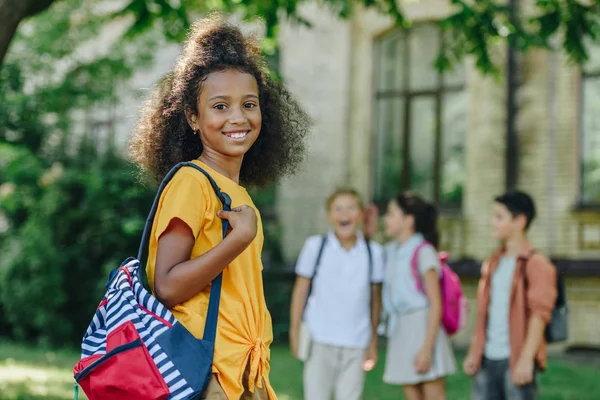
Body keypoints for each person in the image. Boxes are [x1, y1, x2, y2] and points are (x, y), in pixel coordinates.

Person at [130, 14, 310, 400]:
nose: (237, 117)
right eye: (220, 106)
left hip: (244, 371)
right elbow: (166, 286)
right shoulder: (191, 183)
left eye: (249, 104)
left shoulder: (236, 193)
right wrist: (238, 239)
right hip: (205, 371)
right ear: (193, 117)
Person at [289, 188, 384, 400]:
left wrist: (373, 341)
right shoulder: (315, 246)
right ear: (330, 216)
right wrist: (295, 331)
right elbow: (300, 291)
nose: (344, 214)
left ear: (360, 214)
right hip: (320, 339)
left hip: (356, 342)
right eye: (338, 209)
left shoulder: (373, 252)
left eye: (351, 208)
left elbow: (375, 300)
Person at [463, 191, 557, 400]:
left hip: (515, 360)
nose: (492, 222)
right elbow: (484, 313)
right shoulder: (492, 263)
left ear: (520, 221)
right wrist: (475, 349)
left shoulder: (537, 264)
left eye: (499, 217)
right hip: (486, 359)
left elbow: (539, 315)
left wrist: (526, 359)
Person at [382, 192, 456, 400]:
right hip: (402, 328)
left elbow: (435, 303)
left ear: (408, 220)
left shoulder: (423, 252)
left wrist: (427, 347)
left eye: (390, 213)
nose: (385, 219)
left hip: (423, 327)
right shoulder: (392, 251)